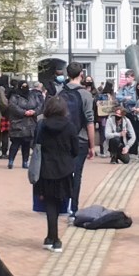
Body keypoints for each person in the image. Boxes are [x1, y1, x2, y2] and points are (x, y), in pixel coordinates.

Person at [37, 96, 79, 253]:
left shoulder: (42, 125)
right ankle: (55, 239)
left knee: (49, 204)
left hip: (46, 170)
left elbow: (37, 146)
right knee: (60, 203)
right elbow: (75, 149)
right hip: (64, 169)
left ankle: (51, 237)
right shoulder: (69, 126)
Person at [59, 62, 96, 218]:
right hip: (79, 139)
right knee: (76, 174)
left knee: (62, 172)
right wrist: (92, 145)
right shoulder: (86, 94)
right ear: (81, 74)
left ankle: (61, 204)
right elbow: (89, 121)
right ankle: (73, 209)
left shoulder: (60, 92)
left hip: (61, 138)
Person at [7, 79, 41, 169]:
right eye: (23, 86)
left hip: (30, 124)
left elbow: (39, 106)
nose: (25, 88)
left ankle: (25, 162)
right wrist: (24, 112)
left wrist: (34, 112)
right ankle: (10, 161)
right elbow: (12, 107)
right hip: (18, 124)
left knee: (26, 145)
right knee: (15, 144)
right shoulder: (15, 96)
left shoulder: (32, 96)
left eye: (26, 86)